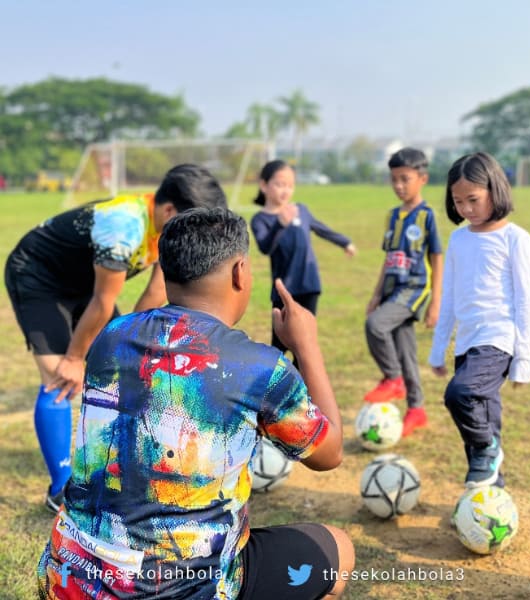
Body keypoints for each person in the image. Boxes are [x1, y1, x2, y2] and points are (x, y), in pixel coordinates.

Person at [37, 207, 354, 600]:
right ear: (241, 272)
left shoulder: (112, 335)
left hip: (70, 577)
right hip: (177, 588)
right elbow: (330, 453)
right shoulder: (256, 366)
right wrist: (306, 345)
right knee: (338, 550)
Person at [5, 164, 227, 513]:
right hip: (39, 275)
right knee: (59, 378)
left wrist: (128, 345)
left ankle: (118, 467)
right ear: (169, 210)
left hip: (86, 284)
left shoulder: (167, 228)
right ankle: (61, 489)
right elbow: (103, 301)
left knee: (123, 367)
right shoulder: (124, 225)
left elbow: (156, 289)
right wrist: (76, 358)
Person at [428, 152, 530, 488]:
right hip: (467, 341)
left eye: (473, 199)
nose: (466, 209)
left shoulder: (515, 238)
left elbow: (527, 299)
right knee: (485, 420)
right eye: (458, 202)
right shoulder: (459, 238)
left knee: (460, 394)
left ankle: (486, 448)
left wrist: (523, 361)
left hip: (498, 339)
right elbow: (449, 297)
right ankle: (491, 494)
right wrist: (438, 349)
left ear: (495, 190)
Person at [364, 147, 443, 437]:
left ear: (422, 179)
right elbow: (388, 258)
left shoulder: (426, 216)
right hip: (391, 289)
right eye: (394, 179)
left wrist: (436, 301)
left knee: (375, 325)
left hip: (414, 290)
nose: (398, 186)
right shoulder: (392, 216)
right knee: (407, 352)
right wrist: (375, 295)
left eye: (405, 179)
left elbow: (437, 257)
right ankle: (417, 409)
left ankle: (393, 379)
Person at [250, 160, 356, 362]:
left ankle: (302, 389)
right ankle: (275, 389)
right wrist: (280, 224)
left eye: (290, 185)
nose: (285, 190)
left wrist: (345, 242)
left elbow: (321, 228)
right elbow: (265, 248)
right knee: (279, 344)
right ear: (264, 185)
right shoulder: (260, 220)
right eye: (280, 184)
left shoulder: (301, 210)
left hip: (309, 284)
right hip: (284, 289)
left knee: (305, 342)